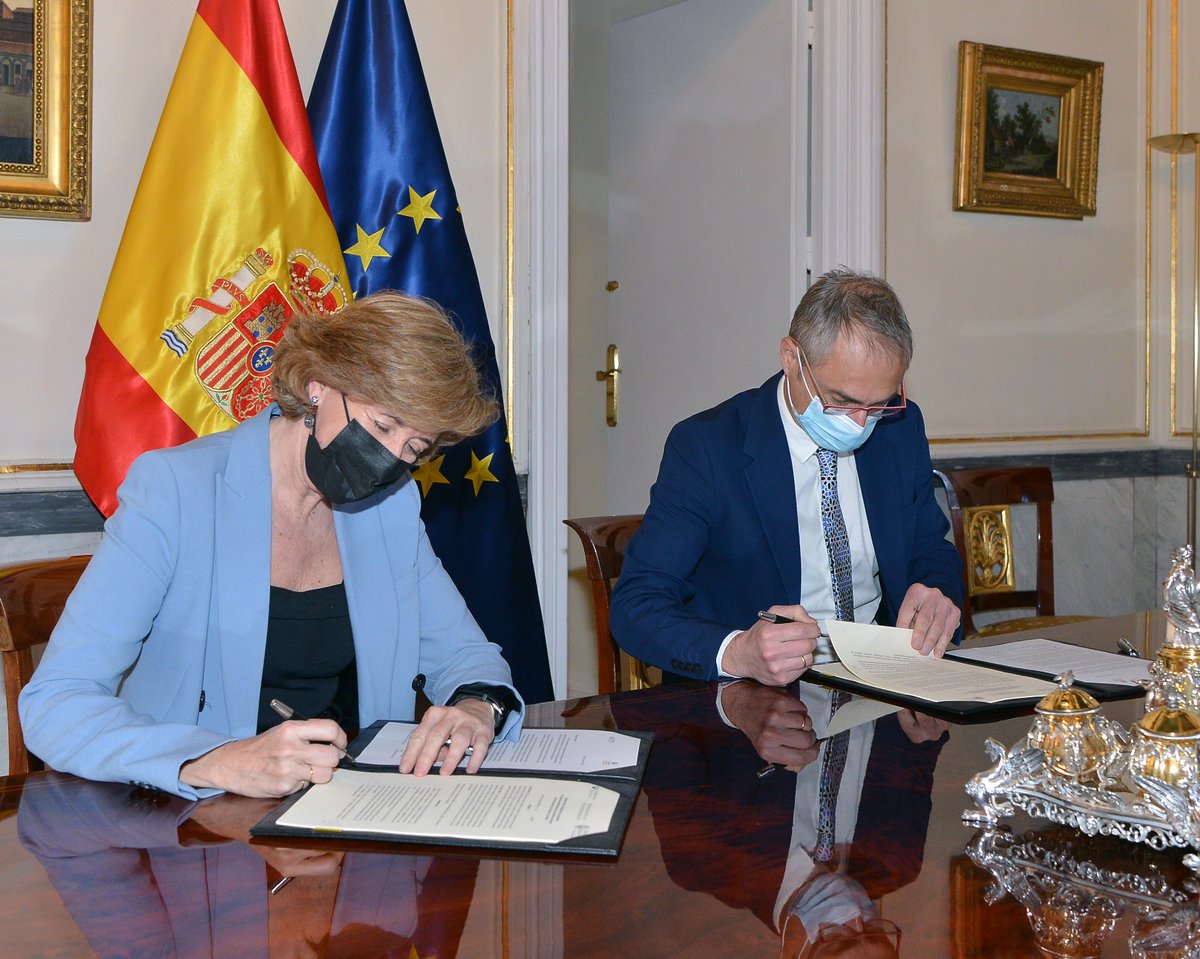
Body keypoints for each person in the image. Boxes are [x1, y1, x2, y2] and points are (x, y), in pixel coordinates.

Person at [20, 291, 523, 800]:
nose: (389, 460)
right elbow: (56, 701)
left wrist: (477, 708)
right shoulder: (177, 490)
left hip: (348, 804)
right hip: (195, 818)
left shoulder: (389, 507)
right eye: (383, 425)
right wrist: (213, 760)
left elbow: (466, 655)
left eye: (413, 447)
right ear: (319, 384)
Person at [610, 268, 963, 685]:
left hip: (882, 678)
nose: (859, 423)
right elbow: (636, 606)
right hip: (750, 693)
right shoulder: (708, 447)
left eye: (879, 404)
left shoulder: (898, 428)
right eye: (841, 401)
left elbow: (928, 549)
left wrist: (936, 594)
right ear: (791, 359)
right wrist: (736, 652)